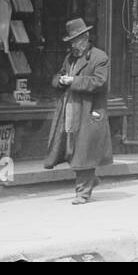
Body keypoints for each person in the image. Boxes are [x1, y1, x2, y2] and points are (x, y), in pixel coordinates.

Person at [43, 18, 113, 205]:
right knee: (70, 148)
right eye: (72, 41)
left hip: (89, 110)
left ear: (86, 37)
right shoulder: (70, 58)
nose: (74, 44)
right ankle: (90, 180)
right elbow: (58, 76)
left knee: (83, 152)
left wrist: (72, 81)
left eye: (77, 40)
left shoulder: (100, 57)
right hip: (71, 109)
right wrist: (59, 81)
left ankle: (82, 192)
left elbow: (99, 82)